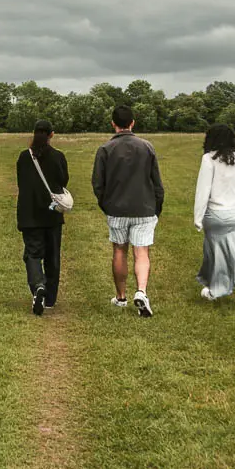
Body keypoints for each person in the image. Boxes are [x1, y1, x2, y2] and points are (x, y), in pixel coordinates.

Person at [91, 105, 165, 318]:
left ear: (113, 123)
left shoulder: (105, 149)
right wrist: (157, 205)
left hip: (117, 208)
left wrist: (106, 204)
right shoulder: (147, 147)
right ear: (133, 122)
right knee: (141, 251)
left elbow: (98, 183)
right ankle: (141, 291)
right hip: (144, 207)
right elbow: (156, 182)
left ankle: (121, 296)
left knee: (119, 250)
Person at [194, 124, 235, 314]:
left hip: (216, 215)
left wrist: (198, 217)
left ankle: (215, 290)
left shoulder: (208, 159)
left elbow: (203, 191)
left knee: (217, 255)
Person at [16, 119, 70, 315]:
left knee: (33, 254)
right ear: (51, 135)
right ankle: (50, 299)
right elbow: (63, 181)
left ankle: (38, 285)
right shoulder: (58, 157)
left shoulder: (23, 157)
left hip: (29, 214)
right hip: (52, 213)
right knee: (52, 256)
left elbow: (21, 181)